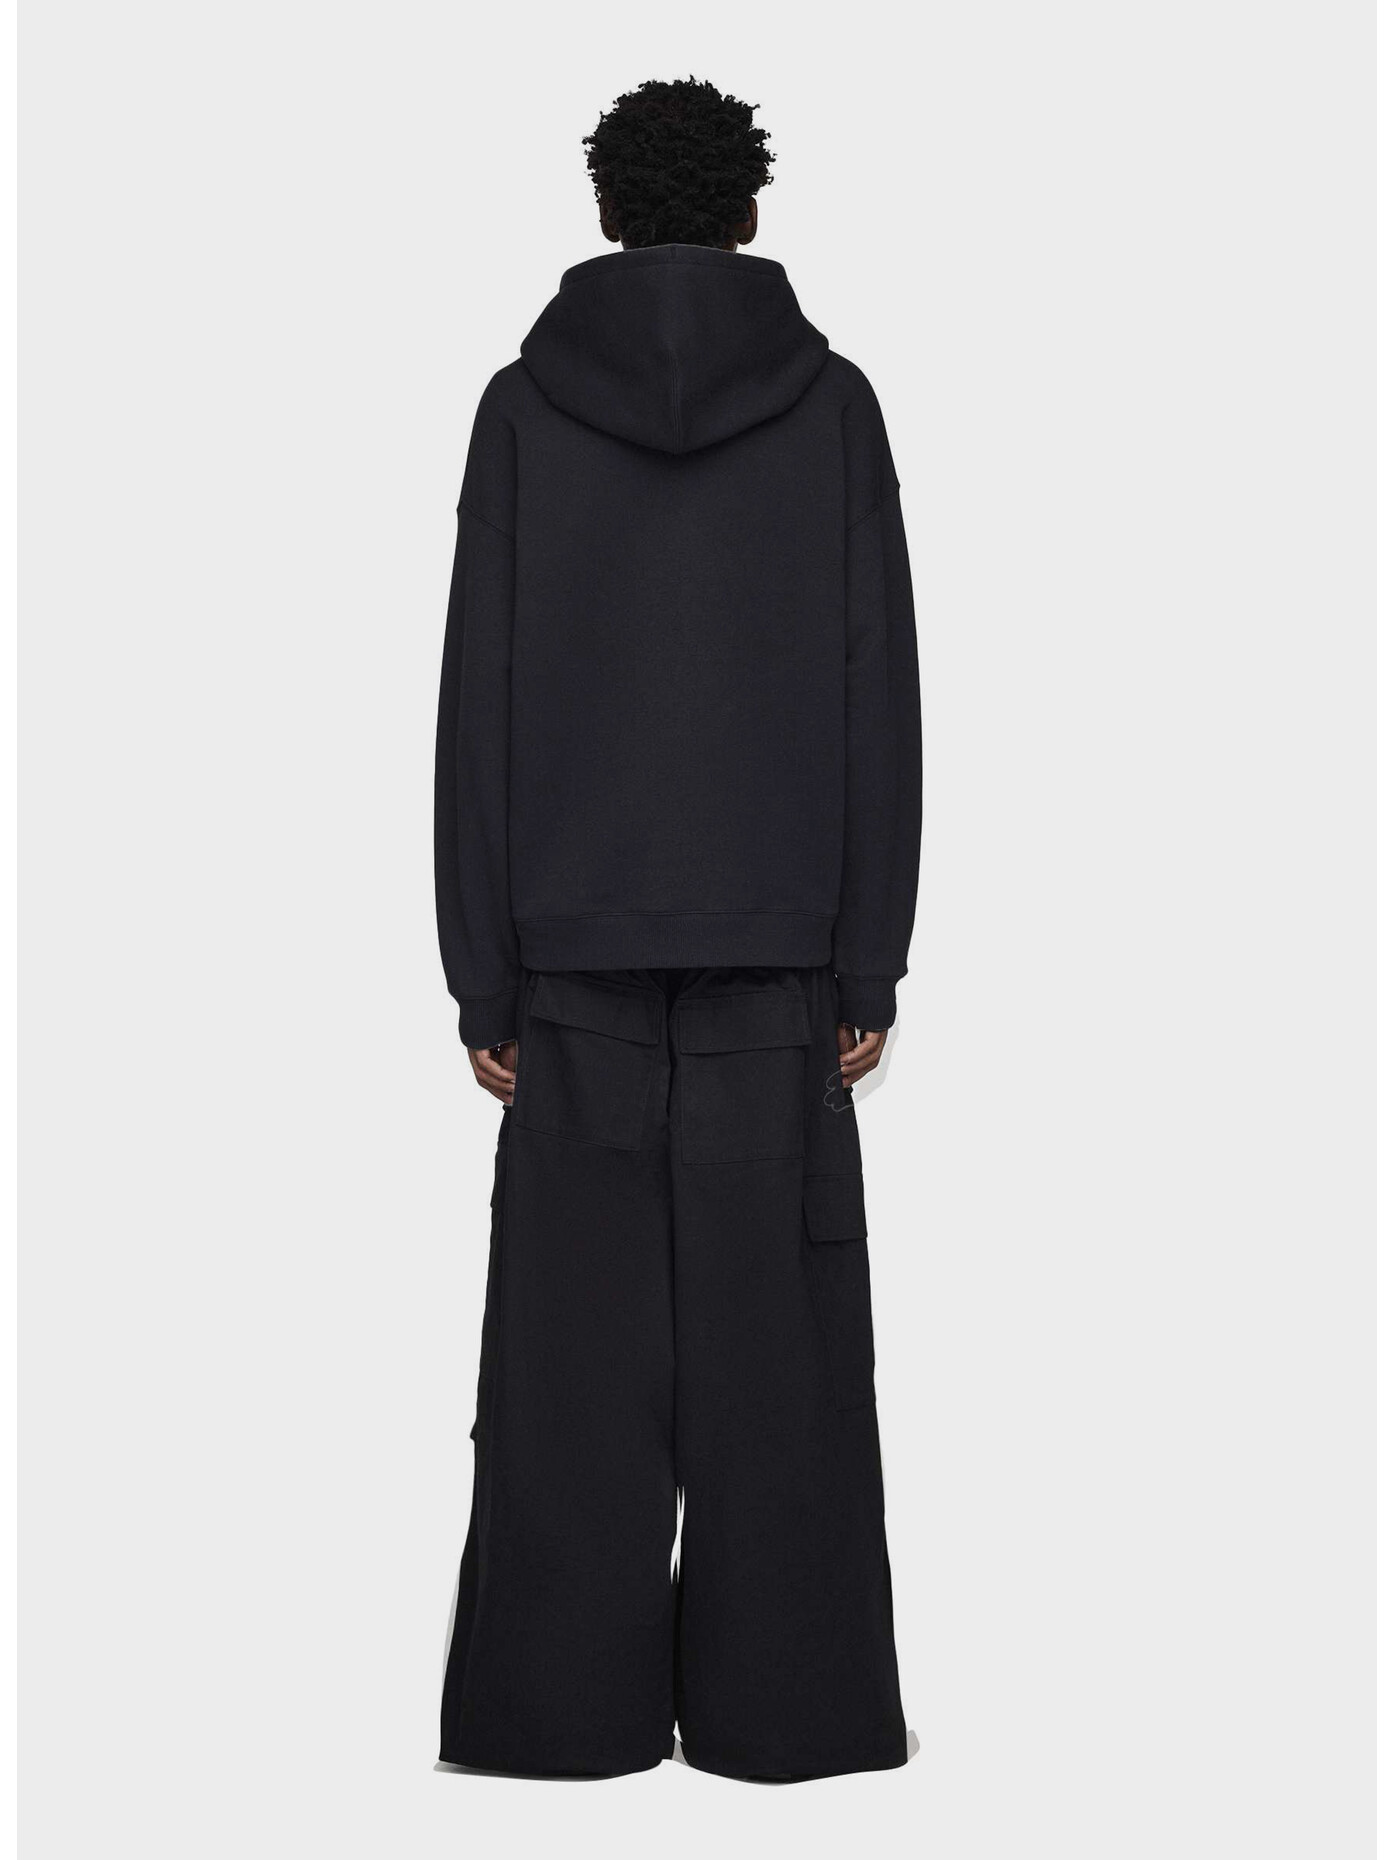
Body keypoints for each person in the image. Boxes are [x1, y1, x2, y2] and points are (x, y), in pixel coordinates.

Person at [435, 77, 921, 1782]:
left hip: (568, 965)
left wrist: (481, 971)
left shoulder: (521, 410)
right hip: (778, 969)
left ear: (606, 210)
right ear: (748, 212)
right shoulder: (833, 408)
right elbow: (877, 687)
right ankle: (791, 1723)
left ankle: (553, 1728)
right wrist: (870, 955)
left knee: (565, 1378)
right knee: (782, 1377)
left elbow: (479, 696)